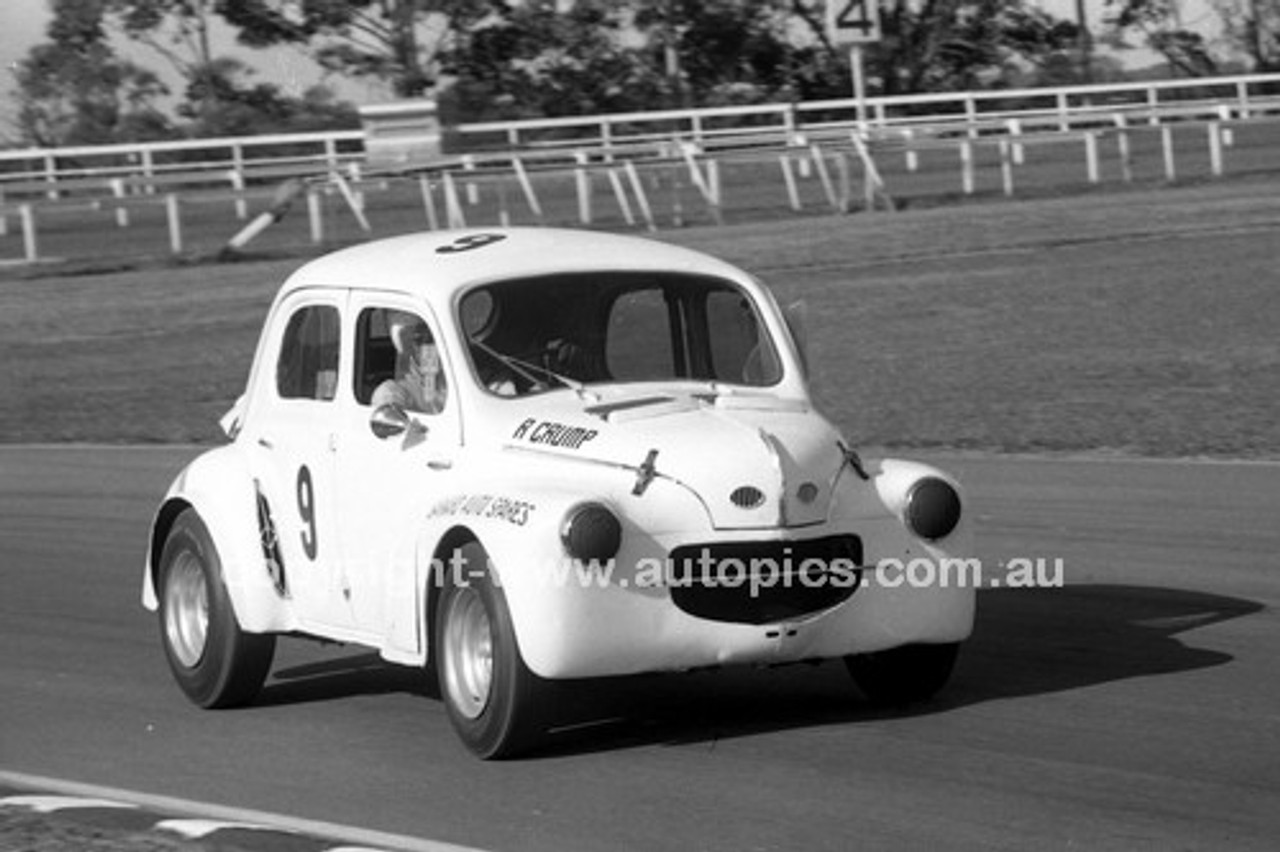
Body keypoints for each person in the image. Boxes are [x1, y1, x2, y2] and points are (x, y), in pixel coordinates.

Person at [372, 315, 447, 414]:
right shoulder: (393, 391)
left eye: (434, 339)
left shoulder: (456, 386)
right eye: (419, 341)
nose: (427, 347)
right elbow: (388, 417)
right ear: (411, 347)